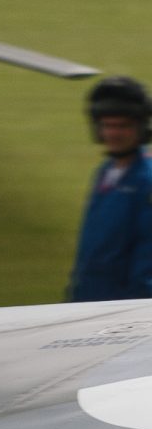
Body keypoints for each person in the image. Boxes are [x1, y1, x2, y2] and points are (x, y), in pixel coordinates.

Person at [67, 76, 152, 303]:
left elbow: (147, 260)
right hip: (87, 299)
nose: (114, 134)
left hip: (120, 311)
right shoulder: (105, 172)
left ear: (140, 127)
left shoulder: (146, 181)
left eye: (122, 126)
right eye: (108, 125)